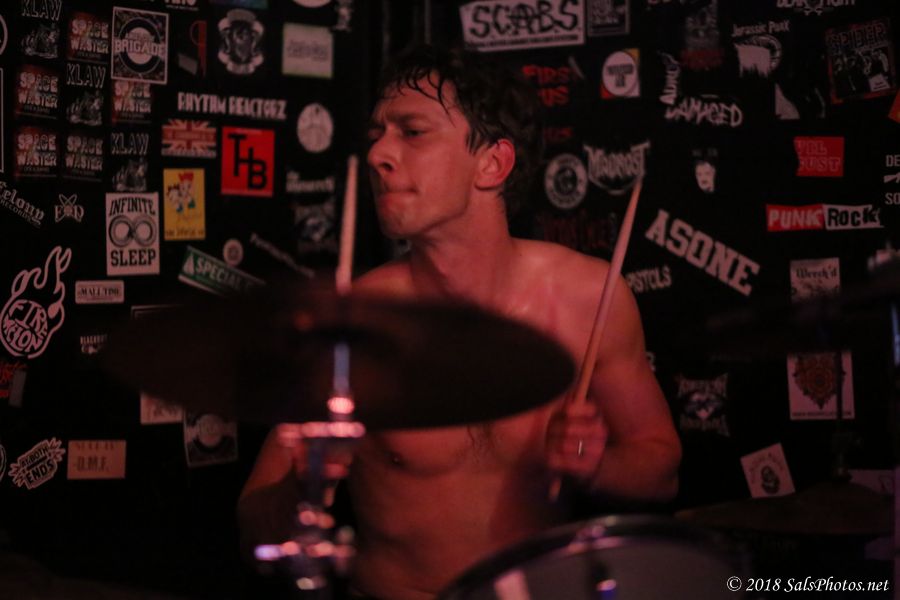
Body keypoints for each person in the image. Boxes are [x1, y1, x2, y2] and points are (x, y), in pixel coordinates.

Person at [238, 45, 681, 599]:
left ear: (492, 164)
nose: (378, 153)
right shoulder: (351, 325)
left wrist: (596, 468)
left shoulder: (589, 298)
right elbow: (253, 523)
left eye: (412, 132)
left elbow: (662, 471)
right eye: (376, 134)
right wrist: (303, 488)